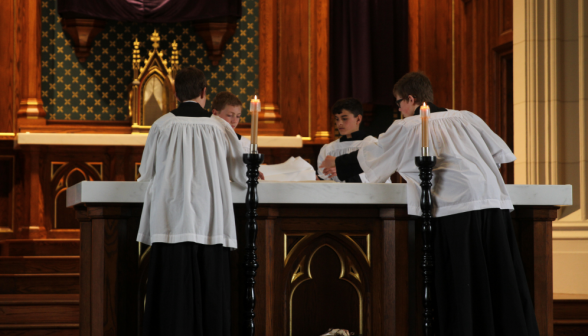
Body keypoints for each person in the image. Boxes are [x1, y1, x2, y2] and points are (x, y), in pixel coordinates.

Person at [320, 72, 540, 336]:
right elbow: (498, 154)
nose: (399, 109)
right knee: (498, 275)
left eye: (399, 103)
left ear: (411, 99)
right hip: (493, 200)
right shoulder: (465, 117)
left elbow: (379, 154)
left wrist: (339, 163)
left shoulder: (410, 125)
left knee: (463, 279)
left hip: (455, 204)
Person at [136, 67, 247, 336]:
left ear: (175, 93)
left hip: (172, 220)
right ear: (204, 93)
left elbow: (146, 173)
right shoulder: (219, 127)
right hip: (211, 221)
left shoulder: (162, 125)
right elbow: (241, 175)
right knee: (211, 290)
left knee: (172, 292)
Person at [317, 98, 378, 182]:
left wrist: (343, 172)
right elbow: (324, 178)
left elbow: (378, 177)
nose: (339, 123)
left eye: (344, 118)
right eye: (337, 119)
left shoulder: (372, 144)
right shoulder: (329, 148)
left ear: (358, 119)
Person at [212, 91, 264, 180]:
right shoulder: (207, 138)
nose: (234, 121)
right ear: (215, 113)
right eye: (230, 115)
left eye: (238, 116)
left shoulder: (245, 144)